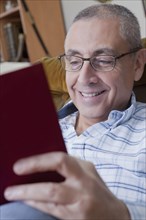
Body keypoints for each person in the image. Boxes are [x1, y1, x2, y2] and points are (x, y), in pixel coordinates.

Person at [1, 3, 146, 220]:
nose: (85, 78)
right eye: (74, 61)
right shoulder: (32, 131)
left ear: (137, 64)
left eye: (104, 60)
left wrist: (120, 214)